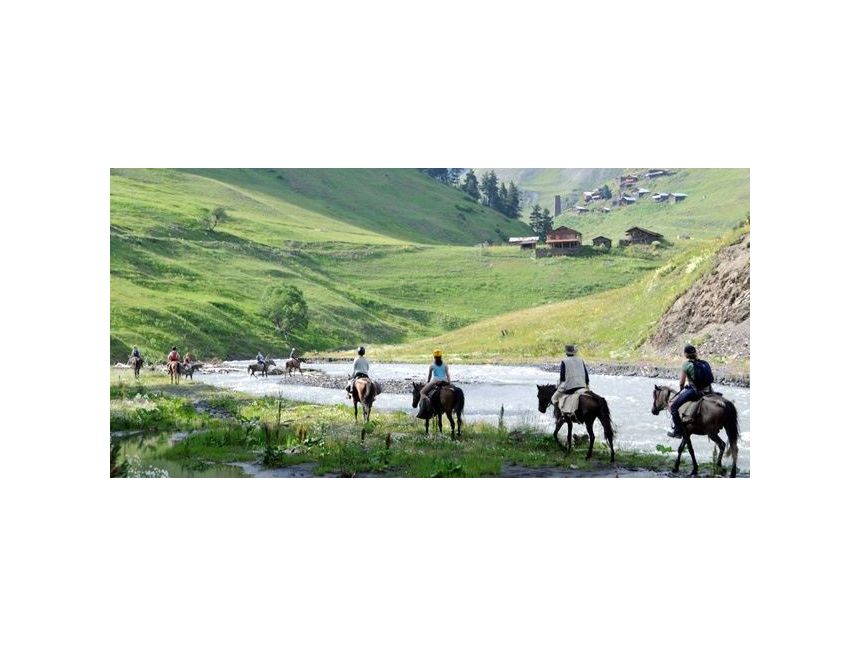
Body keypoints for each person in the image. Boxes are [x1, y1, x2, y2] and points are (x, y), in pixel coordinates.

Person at [668, 344, 713, 438]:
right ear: (695, 353)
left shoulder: (686, 365)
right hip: (709, 390)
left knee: (674, 407)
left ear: (686, 354)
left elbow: (682, 382)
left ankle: (678, 431)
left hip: (695, 392)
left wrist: (681, 389)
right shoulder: (704, 363)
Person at [551, 344, 590, 419]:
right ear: (574, 352)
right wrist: (587, 384)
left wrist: (559, 385)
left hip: (570, 386)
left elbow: (562, 377)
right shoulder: (580, 360)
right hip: (582, 385)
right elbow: (586, 374)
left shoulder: (564, 361)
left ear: (566, 353)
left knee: (554, 398)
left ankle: (559, 416)